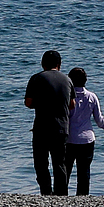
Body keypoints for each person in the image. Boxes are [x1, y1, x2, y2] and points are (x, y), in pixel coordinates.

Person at [23, 50, 74, 196]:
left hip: (42, 127)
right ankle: (61, 193)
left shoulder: (36, 78)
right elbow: (72, 104)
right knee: (60, 163)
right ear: (59, 64)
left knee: (41, 163)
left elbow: (28, 103)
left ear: (42, 64)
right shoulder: (67, 79)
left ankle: (46, 192)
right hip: (62, 127)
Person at [61, 67, 104, 195]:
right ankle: (82, 198)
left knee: (65, 170)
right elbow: (99, 121)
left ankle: (62, 196)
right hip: (87, 139)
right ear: (85, 81)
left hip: (69, 139)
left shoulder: (67, 97)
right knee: (84, 172)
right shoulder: (92, 97)